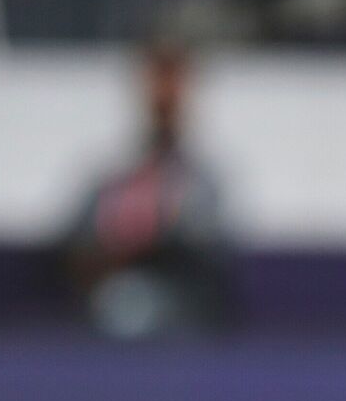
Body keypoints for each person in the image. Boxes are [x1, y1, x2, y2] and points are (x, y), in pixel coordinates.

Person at [56, 42, 233, 338]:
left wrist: (152, 246)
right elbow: (74, 245)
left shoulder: (202, 184)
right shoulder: (113, 180)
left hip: (182, 312)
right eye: (156, 82)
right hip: (110, 309)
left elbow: (211, 255)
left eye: (173, 83)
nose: (163, 96)